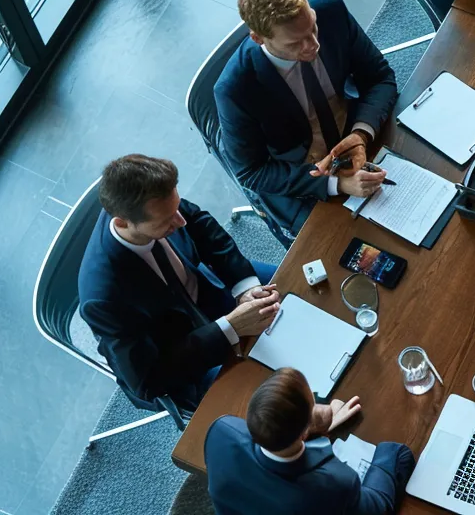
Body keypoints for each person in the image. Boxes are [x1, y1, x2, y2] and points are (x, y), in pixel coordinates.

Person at [77, 154, 284, 414]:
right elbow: (147, 381)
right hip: (179, 353)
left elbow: (202, 226)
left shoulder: (159, 203)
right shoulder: (103, 298)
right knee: (270, 403)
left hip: (205, 293)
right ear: (122, 222)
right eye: (167, 221)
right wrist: (229, 328)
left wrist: (245, 287)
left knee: (295, 288)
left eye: (177, 207)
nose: (181, 220)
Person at [215, 0, 399, 234]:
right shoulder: (234, 89)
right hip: (298, 176)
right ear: (258, 39)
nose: (313, 45)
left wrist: (360, 134)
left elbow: (379, 76)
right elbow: (251, 172)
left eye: (312, 27)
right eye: (295, 43)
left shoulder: (330, 9)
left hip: (354, 127)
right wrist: (336, 183)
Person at [205, 368, 417, 515]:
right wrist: (389, 450)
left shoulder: (221, 430)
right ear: (304, 432)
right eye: (313, 402)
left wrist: (312, 428)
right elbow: (376, 507)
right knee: (399, 454)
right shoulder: (334, 481)